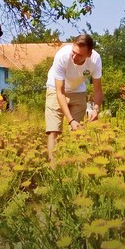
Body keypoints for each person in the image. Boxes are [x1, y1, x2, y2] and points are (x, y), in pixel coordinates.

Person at [45, 34, 103, 163]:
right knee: (53, 130)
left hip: (78, 90)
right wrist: (70, 120)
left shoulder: (96, 60)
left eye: (80, 55)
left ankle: (73, 166)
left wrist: (96, 109)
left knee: (77, 132)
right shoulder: (62, 56)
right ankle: (53, 168)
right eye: (74, 52)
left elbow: (98, 89)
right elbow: (60, 92)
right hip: (55, 89)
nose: (75, 57)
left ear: (89, 55)